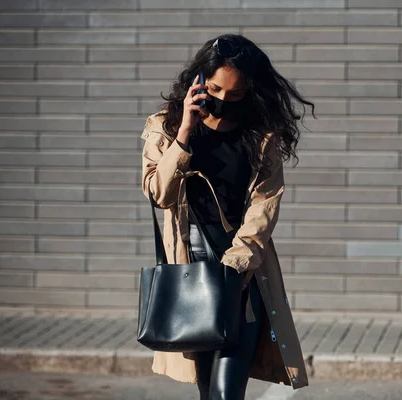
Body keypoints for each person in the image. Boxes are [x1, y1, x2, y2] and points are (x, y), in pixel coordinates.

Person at [139, 34, 315, 399]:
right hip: (190, 276)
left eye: (234, 94)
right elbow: (160, 194)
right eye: (216, 89)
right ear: (197, 81)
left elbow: (264, 208)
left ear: (250, 91)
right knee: (208, 390)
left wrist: (235, 269)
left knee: (226, 393)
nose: (222, 100)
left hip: (241, 276)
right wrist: (186, 131)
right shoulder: (165, 127)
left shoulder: (261, 136)